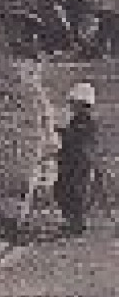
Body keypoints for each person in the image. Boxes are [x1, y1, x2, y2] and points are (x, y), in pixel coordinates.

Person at [53, 83, 100, 236]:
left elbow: (76, 140)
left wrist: (61, 133)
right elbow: (70, 136)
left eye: (74, 103)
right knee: (62, 189)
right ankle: (71, 221)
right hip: (70, 161)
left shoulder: (87, 122)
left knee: (75, 191)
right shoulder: (77, 120)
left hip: (80, 162)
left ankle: (76, 223)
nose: (71, 106)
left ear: (83, 104)